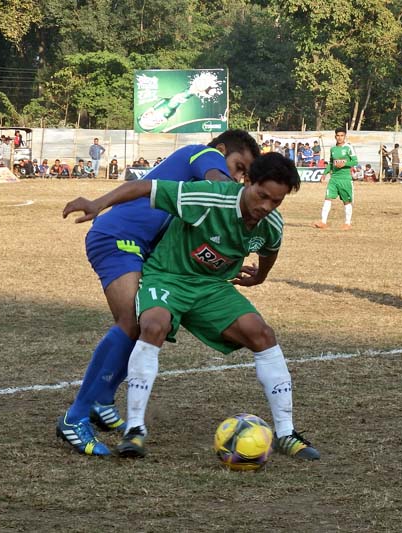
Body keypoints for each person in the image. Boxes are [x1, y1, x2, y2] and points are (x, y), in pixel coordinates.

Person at [64, 152, 320, 461]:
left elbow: (270, 250)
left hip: (211, 288)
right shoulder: (208, 196)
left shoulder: (271, 223)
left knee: (262, 333)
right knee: (152, 325)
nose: (265, 206)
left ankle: (286, 434)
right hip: (168, 277)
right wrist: (97, 203)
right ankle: (134, 430)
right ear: (247, 182)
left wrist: (260, 277)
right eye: (262, 196)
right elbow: (148, 188)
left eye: (275, 202)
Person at [55, 129, 261, 456]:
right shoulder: (202, 154)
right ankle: (75, 417)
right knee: (131, 323)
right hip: (118, 238)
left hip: (140, 249)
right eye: (238, 167)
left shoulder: (198, 194)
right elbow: (217, 180)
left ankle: (102, 401)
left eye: (244, 174)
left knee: (145, 326)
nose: (237, 177)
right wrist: (247, 188)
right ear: (222, 150)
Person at [313, 127, 358, 230]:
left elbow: (355, 161)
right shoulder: (333, 149)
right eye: (338, 135)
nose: (340, 137)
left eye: (342, 135)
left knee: (346, 201)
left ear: (345, 136)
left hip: (345, 178)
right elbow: (331, 163)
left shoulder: (348, 148)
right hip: (334, 178)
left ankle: (347, 223)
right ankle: (323, 222)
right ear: (335, 136)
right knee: (327, 198)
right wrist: (325, 173)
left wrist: (345, 163)